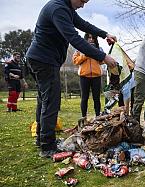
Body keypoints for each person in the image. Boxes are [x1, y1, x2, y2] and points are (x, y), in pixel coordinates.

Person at [26, 0, 117, 158]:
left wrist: (105, 34)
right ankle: (48, 146)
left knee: (44, 99)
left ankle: (43, 139)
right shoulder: (58, 9)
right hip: (44, 59)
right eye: (82, 0)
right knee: (51, 100)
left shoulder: (65, 8)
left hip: (40, 58)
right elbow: (75, 39)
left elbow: (85, 25)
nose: (83, 5)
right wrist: (103, 56)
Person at [73, 33, 103, 117]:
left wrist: (95, 53)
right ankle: (84, 117)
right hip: (84, 76)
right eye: (89, 38)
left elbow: (102, 61)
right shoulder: (79, 49)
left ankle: (98, 117)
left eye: (93, 38)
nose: (91, 39)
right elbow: (75, 61)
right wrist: (85, 55)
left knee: (96, 98)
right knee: (84, 98)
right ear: (85, 38)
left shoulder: (99, 48)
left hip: (96, 76)